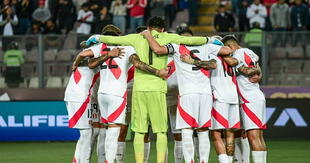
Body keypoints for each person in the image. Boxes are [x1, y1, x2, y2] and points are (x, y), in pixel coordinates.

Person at [85, 16, 215, 163]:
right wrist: (209, 40)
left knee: (140, 132)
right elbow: (191, 41)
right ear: (163, 29)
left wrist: (97, 37)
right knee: (160, 132)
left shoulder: (136, 38)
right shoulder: (168, 37)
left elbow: (114, 40)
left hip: (139, 89)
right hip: (158, 88)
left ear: (148, 27)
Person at [78, 24, 169, 163]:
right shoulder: (127, 48)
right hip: (117, 95)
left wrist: (97, 51)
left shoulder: (100, 47)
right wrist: (157, 72)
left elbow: (89, 62)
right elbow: (138, 64)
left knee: (104, 130)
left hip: (102, 94)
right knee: (114, 133)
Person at [64, 43, 119, 163]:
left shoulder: (92, 62)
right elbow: (84, 52)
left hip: (83, 97)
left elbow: (85, 49)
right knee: (87, 133)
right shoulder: (96, 59)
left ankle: (77, 160)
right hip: (80, 97)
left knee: (91, 132)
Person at [221, 35, 267, 163]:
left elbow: (246, 70)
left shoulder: (239, 54)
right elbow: (256, 66)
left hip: (249, 98)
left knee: (253, 137)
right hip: (256, 95)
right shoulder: (250, 52)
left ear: (229, 47)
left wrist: (226, 56)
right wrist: (258, 71)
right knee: (259, 138)